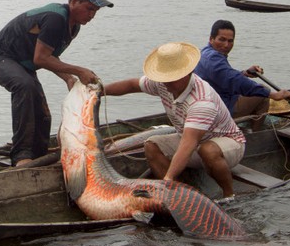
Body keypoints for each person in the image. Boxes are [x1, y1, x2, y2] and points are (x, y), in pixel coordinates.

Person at [0, 0, 114, 167]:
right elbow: (40, 59)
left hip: (24, 66)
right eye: (89, 8)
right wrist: (79, 71)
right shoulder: (55, 19)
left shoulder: (73, 26)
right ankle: (22, 156)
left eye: (95, 11)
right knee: (25, 87)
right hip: (0, 59)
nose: (92, 15)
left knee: (43, 114)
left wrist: (68, 78)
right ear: (74, 1)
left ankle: (38, 156)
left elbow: (49, 56)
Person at [103, 42, 244, 200]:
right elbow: (131, 85)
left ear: (187, 73)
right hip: (192, 140)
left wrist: (167, 178)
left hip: (227, 143)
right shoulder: (162, 83)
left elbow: (187, 145)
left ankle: (229, 195)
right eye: (164, 78)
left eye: (172, 79)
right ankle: (176, 196)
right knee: (151, 145)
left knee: (207, 150)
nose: (166, 83)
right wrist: (100, 91)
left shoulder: (202, 101)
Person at [193, 20, 290, 121]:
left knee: (257, 90)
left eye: (230, 41)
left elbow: (224, 75)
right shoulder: (213, 58)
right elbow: (235, 80)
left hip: (208, 103)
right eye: (222, 40)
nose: (226, 45)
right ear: (211, 39)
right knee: (262, 93)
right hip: (219, 108)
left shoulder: (205, 52)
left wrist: (245, 73)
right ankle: (256, 133)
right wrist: (273, 95)